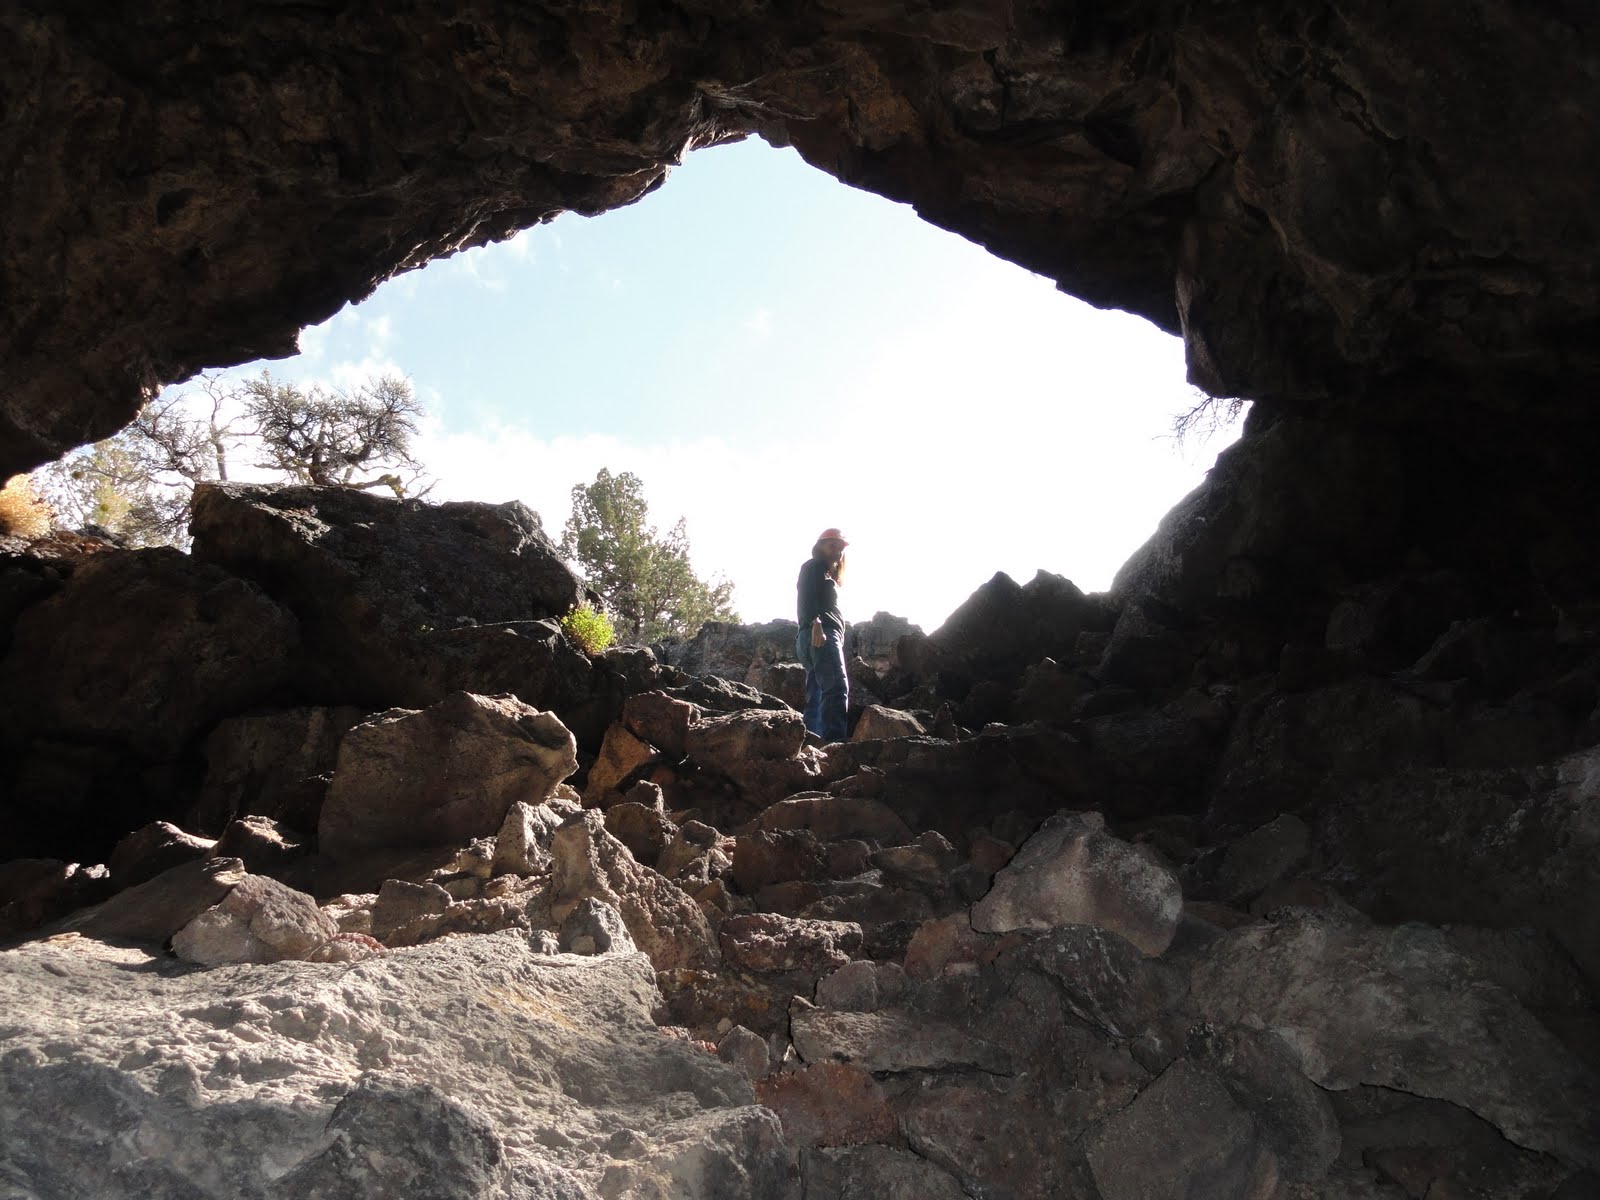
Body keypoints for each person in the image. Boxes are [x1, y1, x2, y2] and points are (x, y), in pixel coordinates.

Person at [796, 528, 849, 742]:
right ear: (819, 547)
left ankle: (812, 744)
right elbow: (807, 596)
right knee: (836, 687)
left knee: (816, 694)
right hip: (821, 633)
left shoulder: (823, 572)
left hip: (810, 636)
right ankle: (835, 747)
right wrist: (815, 622)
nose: (836, 550)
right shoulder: (815, 566)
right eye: (832, 545)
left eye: (840, 547)